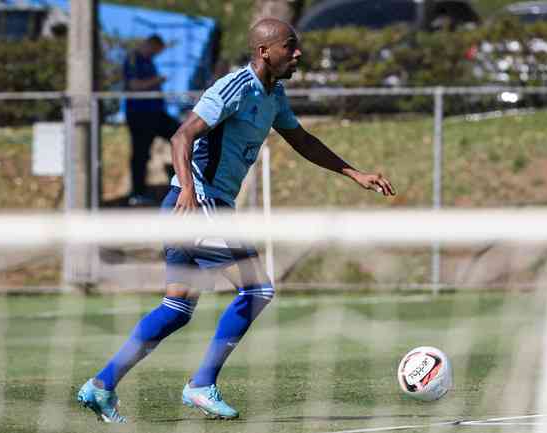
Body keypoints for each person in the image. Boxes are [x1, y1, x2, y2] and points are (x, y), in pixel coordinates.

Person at [77, 18, 395, 423]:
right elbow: (181, 137)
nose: (298, 53)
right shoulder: (233, 87)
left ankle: (100, 386)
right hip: (199, 203)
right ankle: (199, 385)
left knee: (176, 307)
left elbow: (302, 140)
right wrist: (191, 191)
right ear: (264, 52)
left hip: (189, 205)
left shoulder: (274, 94)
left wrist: (355, 173)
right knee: (258, 289)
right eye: (289, 46)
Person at [123, 34, 180, 206]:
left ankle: (178, 175)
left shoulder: (149, 61)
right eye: (156, 51)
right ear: (151, 45)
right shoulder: (133, 59)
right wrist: (157, 80)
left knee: (182, 135)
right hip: (140, 115)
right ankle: (137, 193)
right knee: (140, 153)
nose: (156, 55)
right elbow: (134, 85)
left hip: (156, 113)